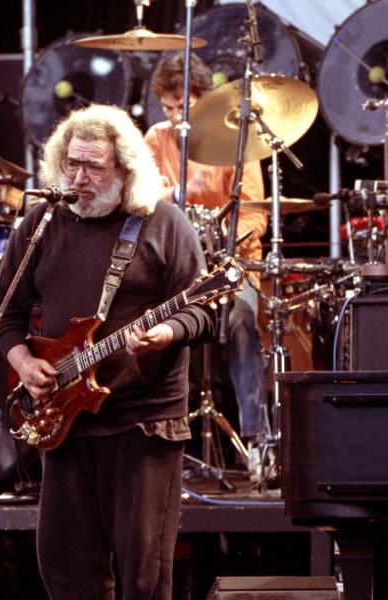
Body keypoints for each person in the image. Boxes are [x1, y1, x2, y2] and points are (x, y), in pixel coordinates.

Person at [0, 104, 216, 599]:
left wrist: (166, 334)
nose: (79, 177)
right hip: (66, 421)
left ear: (125, 169)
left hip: (143, 423)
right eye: (72, 164)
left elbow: (204, 311)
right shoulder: (40, 225)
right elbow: (1, 317)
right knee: (66, 571)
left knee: (143, 576)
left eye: (94, 166)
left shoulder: (163, 223)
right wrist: (24, 363)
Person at [143, 52, 271, 453]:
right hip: (171, 268)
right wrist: (179, 192)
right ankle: (150, 433)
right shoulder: (155, 138)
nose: (175, 114)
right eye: (167, 107)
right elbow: (142, 198)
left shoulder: (237, 142)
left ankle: (258, 439)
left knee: (242, 324)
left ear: (203, 100)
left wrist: (221, 243)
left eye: (183, 105)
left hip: (231, 267)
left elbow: (255, 215)